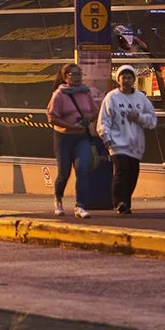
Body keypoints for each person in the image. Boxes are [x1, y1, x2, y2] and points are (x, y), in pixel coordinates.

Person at [97, 65, 159, 215]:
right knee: (121, 171)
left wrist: (138, 117)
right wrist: (106, 136)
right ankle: (119, 202)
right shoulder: (111, 97)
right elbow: (104, 120)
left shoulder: (140, 98)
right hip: (118, 142)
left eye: (129, 77)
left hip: (135, 143)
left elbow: (152, 120)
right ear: (118, 79)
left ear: (134, 80)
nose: (126, 80)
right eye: (123, 77)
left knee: (133, 173)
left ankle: (126, 202)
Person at [45, 63, 98, 218]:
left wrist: (88, 119)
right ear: (65, 76)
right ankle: (58, 199)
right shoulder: (59, 94)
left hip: (81, 136)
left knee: (82, 169)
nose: (77, 78)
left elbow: (94, 111)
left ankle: (80, 206)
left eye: (79, 75)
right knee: (64, 172)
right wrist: (69, 125)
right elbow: (51, 117)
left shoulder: (86, 92)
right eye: (73, 74)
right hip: (64, 137)